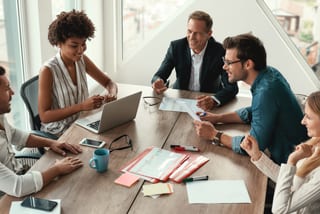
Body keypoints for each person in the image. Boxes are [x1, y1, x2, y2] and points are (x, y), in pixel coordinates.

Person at [194, 33, 308, 164]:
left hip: (287, 166)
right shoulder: (270, 73)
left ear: (248, 64)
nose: (224, 67)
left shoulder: (266, 92)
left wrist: (214, 135)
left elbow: (252, 146)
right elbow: (255, 110)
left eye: (229, 62)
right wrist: (218, 118)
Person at [0, 66, 83, 197]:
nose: (12, 92)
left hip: (19, 176)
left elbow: (15, 135)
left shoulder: (0, 116)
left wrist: (51, 143)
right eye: (6, 89)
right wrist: (57, 170)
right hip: (7, 197)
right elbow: (18, 187)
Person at [39, 10, 118, 137]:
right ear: (59, 43)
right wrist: (81, 106)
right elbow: (44, 116)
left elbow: (109, 83)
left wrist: (112, 93)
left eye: (83, 44)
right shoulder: (48, 70)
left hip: (82, 123)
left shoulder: (82, 60)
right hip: (58, 133)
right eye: (74, 46)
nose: (81, 50)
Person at [241, 91, 320, 214]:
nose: (302, 121)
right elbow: (288, 182)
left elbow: (280, 209)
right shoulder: (315, 144)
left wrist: (292, 161)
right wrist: (256, 155)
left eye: (309, 117)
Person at [151, 10, 238, 109]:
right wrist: (157, 81)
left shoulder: (220, 51)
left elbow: (232, 88)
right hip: (180, 99)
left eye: (197, 33)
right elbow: (158, 75)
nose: (191, 37)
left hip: (207, 101)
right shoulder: (176, 47)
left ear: (209, 34)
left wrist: (214, 100)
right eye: (189, 31)